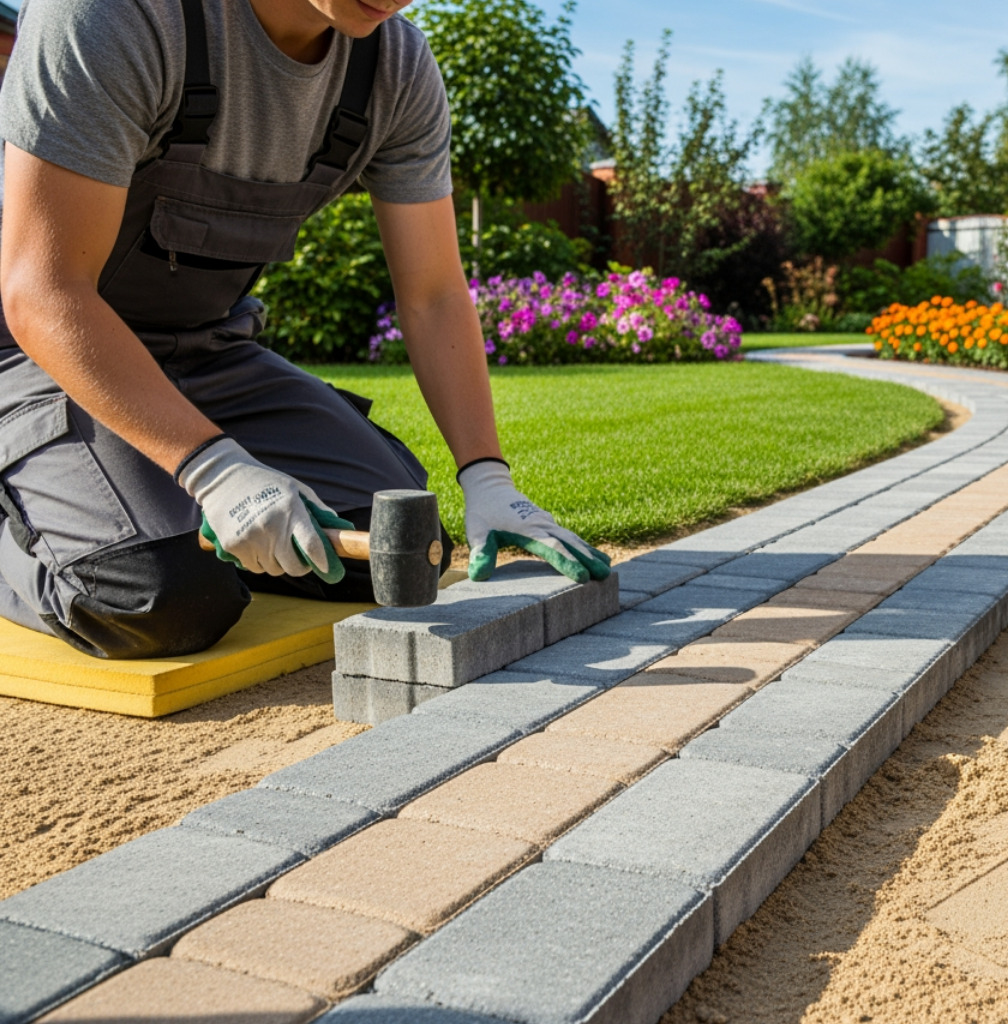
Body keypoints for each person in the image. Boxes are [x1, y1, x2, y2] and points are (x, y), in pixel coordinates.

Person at [0, 0, 610, 661]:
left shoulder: (393, 67)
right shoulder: (120, 16)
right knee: (158, 593)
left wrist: (486, 476)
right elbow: (44, 292)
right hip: (38, 353)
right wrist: (215, 468)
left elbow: (433, 294)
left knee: (398, 547)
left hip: (209, 353)